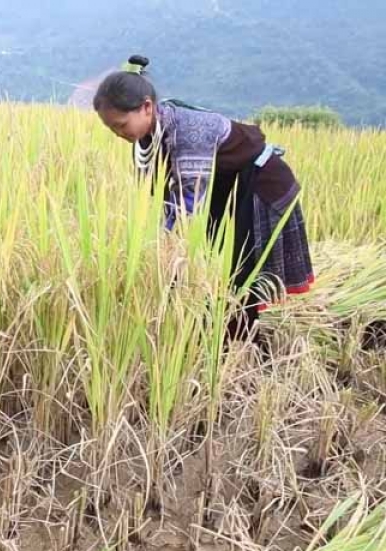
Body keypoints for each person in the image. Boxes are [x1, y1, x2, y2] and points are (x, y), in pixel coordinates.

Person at [94, 55, 315, 343]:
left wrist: (162, 247)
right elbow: (161, 192)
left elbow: (189, 201)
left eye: (121, 125)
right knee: (211, 262)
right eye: (112, 129)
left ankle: (236, 350)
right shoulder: (152, 132)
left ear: (147, 107)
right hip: (226, 188)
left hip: (259, 186)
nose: (118, 134)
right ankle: (209, 331)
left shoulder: (188, 132)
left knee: (236, 270)